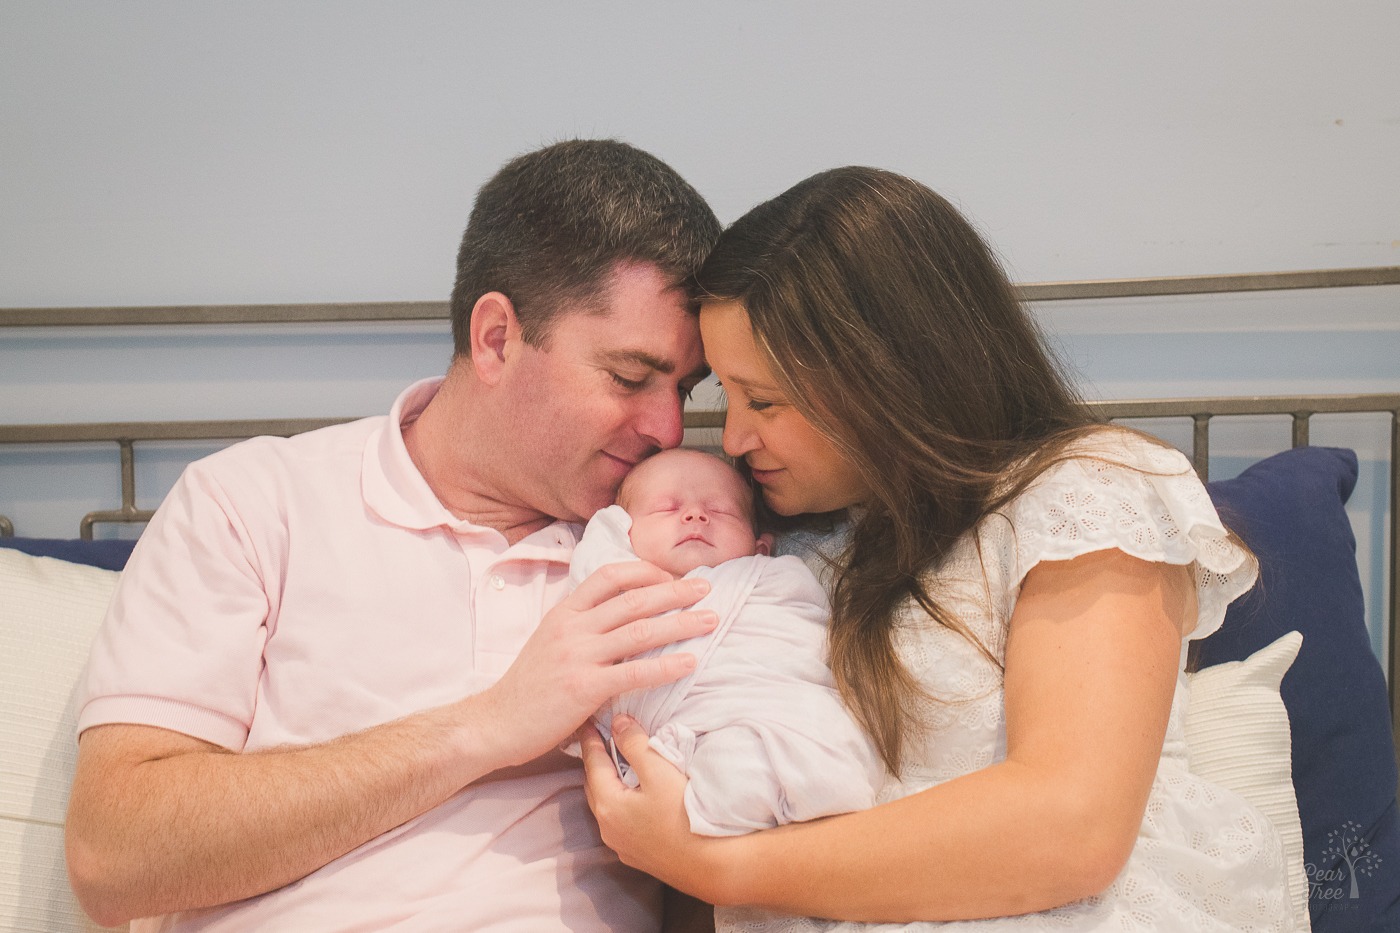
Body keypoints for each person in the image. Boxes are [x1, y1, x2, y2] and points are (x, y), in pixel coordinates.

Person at [580, 167, 1296, 932]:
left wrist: (709, 864)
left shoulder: (1083, 492)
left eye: (765, 400)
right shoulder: (776, 550)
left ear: (884, 378)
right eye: (726, 394)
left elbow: (1071, 823)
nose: (734, 438)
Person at [64, 139, 724, 932]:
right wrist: (484, 725)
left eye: (684, 388)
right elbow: (112, 859)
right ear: (495, 338)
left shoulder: (682, 540)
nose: (669, 427)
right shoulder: (253, 503)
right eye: (628, 376)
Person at [570, 448, 882, 836]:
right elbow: (591, 564)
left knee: (817, 749)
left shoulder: (778, 578)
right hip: (695, 733)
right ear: (623, 532)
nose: (695, 516)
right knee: (730, 770)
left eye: (720, 511)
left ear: (760, 548)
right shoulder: (617, 584)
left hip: (774, 706)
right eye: (667, 508)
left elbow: (809, 644)